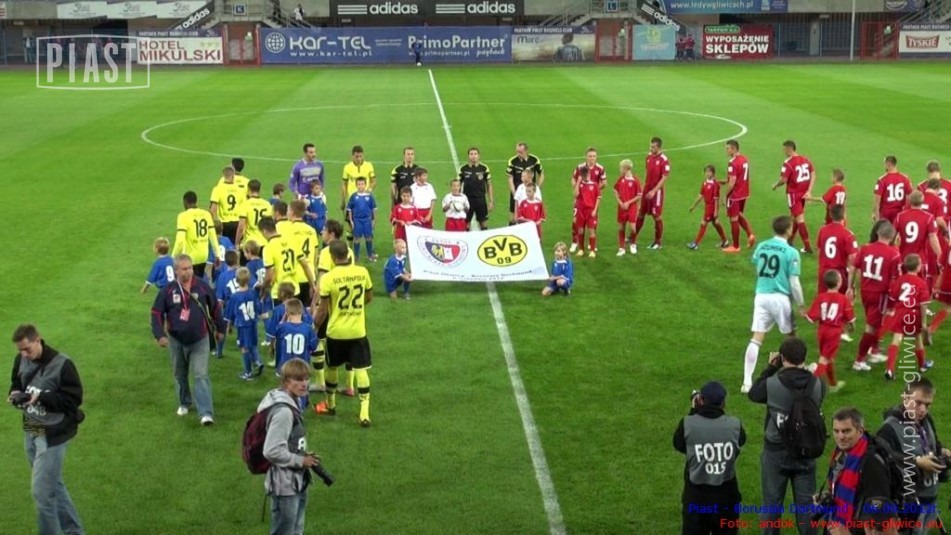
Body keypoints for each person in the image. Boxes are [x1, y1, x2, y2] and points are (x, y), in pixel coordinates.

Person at [8, 324, 85, 535]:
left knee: (42, 494)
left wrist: (41, 397)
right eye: (20, 350)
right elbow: (17, 382)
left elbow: (73, 400)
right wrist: (15, 394)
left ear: (37, 340)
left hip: (53, 433)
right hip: (31, 427)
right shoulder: (21, 359)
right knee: (53, 486)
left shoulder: (63, 364)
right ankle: (75, 532)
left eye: (27, 349)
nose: (24, 355)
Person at [748, 338, 827, 534]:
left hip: (776, 451)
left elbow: (753, 393)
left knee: (771, 507)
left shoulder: (772, 384)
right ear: (804, 358)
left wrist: (770, 368)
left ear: (782, 358)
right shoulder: (818, 384)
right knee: (807, 509)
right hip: (806, 450)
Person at [150, 254, 226, 425]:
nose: (189, 272)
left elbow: (215, 307)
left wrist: (220, 329)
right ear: (176, 271)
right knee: (179, 373)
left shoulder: (202, 286)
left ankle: (206, 413)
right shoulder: (168, 290)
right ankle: (184, 402)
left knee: (201, 375)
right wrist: (159, 334)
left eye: (190, 268)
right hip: (176, 340)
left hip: (200, 339)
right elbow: (156, 312)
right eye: (184, 269)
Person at [314, 240, 374, 427]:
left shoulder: (328, 278)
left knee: (332, 367)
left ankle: (330, 405)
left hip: (336, 332)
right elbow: (369, 297)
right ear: (348, 254)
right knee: (361, 369)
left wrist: (314, 326)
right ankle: (364, 413)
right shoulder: (362, 272)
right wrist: (355, 310)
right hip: (357, 330)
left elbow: (322, 310)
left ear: (332, 257)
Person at [258, 358, 321, 535]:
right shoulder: (284, 412)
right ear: (286, 381)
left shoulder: (287, 399)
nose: (304, 384)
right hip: (285, 486)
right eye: (298, 380)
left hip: (294, 481)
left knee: (295, 530)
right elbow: (271, 450)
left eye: (306, 379)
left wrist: (301, 453)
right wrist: (300, 460)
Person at [741, 216, 804, 393]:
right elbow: (794, 283)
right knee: (792, 338)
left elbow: (758, 265)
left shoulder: (762, 246)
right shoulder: (791, 252)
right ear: (789, 230)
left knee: (756, 338)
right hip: (780, 297)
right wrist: (801, 304)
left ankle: (747, 382)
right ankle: (797, 375)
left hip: (761, 295)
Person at [876, 379, 948, 534]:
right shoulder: (889, 428)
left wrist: (942, 452)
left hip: (930, 498)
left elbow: (933, 444)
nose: (922, 409)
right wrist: (916, 462)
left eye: (927, 405)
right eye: (918, 403)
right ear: (905, 398)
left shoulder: (926, 420)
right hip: (908, 502)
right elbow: (883, 460)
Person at [673, 381, 745, 535]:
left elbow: (679, 445)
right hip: (726, 496)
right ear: (723, 403)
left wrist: (694, 411)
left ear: (701, 400)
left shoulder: (688, 423)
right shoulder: (735, 425)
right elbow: (740, 441)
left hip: (696, 497)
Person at [822, 407, 899, 535]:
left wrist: (849, 533)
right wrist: (830, 495)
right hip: (835, 525)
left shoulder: (871, 464)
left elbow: (881, 516)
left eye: (846, 431)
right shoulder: (840, 453)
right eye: (836, 431)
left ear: (860, 431)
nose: (840, 437)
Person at [848, 221, 901, 371]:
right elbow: (895, 280)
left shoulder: (865, 248)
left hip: (866, 292)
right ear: (892, 236)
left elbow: (853, 267)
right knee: (871, 327)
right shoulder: (894, 254)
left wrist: (850, 287)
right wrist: (894, 300)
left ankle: (875, 350)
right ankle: (859, 360)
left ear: (878, 233)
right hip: (880, 295)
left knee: (875, 323)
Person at [804, 270, 855, 393]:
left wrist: (804, 314)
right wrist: (852, 327)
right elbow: (850, 318)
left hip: (822, 331)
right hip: (834, 332)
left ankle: (833, 385)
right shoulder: (843, 299)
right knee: (824, 360)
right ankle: (807, 389)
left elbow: (811, 318)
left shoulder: (820, 297)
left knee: (828, 358)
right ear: (839, 283)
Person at [883, 254, 931, 380]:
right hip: (913, 313)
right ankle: (922, 365)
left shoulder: (900, 279)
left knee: (896, 338)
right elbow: (923, 304)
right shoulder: (921, 283)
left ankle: (889, 369)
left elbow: (893, 296)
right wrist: (924, 322)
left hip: (900, 312)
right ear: (918, 267)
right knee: (917, 338)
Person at [772, 140, 815, 254]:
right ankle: (790, 240)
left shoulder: (788, 163)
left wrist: (776, 184)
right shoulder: (805, 159)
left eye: (784, 149)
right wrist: (809, 191)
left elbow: (784, 179)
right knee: (794, 217)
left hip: (794, 194)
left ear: (789, 149)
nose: (783, 151)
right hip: (804, 193)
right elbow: (813, 173)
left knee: (799, 219)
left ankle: (807, 246)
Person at [260, 217, 315, 306]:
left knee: (281, 315)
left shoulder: (268, 248)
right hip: (294, 289)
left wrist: (263, 289)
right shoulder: (292, 241)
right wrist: (312, 285)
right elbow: (305, 265)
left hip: (279, 292)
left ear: (264, 231)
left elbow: (269, 275)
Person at [895, 191, 942, 295]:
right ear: (922, 201)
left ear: (910, 201)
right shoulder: (928, 217)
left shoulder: (900, 216)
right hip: (920, 259)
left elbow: (893, 237)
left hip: (903, 257)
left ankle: (904, 303)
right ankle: (918, 303)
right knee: (920, 286)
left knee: (903, 285)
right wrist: (939, 254)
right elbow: (933, 238)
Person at [224, 267, 265, 380]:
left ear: (236, 280)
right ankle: (258, 362)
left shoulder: (234, 297)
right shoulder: (253, 293)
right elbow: (258, 307)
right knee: (253, 344)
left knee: (244, 348)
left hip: (242, 326)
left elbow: (229, 315)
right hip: (253, 323)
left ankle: (248, 372)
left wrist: (229, 326)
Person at [633, 137, 671, 250]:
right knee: (641, 213)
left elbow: (664, 178)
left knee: (657, 216)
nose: (651, 148)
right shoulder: (649, 157)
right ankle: (633, 237)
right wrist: (643, 187)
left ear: (659, 147)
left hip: (657, 192)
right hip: (647, 188)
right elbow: (647, 172)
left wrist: (654, 191)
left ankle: (658, 242)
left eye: (653, 147)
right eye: (650, 146)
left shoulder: (664, 160)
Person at [173, 191, 220, 279]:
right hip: (203, 256)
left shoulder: (183, 216)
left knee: (188, 281)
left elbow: (180, 240)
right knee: (198, 279)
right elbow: (213, 235)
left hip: (190, 257)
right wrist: (217, 254)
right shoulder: (206, 214)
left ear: (185, 202)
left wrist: (173, 256)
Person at [816, 205, 858, 296]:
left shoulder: (823, 230)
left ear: (831, 215)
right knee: (840, 301)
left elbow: (819, 251)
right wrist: (851, 284)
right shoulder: (848, 235)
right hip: (839, 274)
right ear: (844, 215)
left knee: (823, 299)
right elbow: (853, 258)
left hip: (824, 272)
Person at [722, 139, 755, 253]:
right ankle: (750, 234)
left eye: (727, 148)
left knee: (734, 218)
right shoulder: (744, 159)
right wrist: (725, 181)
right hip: (743, 192)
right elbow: (739, 176)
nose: (726, 151)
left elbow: (733, 181)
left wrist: (725, 195)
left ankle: (735, 246)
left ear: (733, 149)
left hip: (734, 194)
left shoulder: (732, 162)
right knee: (739, 214)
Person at [687, 164, 728, 251]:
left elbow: (716, 199)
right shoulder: (705, 182)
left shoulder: (715, 184)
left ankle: (695, 244)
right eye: (706, 172)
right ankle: (725, 241)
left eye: (709, 172)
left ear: (713, 173)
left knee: (703, 223)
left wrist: (716, 211)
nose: (707, 173)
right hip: (707, 206)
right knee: (716, 223)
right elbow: (700, 195)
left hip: (712, 207)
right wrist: (693, 206)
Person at [274, 299, 318, 375]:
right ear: (302, 311)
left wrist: (284, 318)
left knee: (285, 381)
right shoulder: (308, 328)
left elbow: (276, 334)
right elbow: (313, 347)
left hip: (285, 366)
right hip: (302, 366)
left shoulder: (282, 327)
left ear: (287, 312)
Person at [287, 200, 320, 300]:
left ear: (292, 212)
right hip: (310, 276)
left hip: (294, 276)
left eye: (288, 210)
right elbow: (315, 253)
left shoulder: (288, 229)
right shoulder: (311, 230)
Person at [506, 143, 544, 226]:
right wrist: (514, 193)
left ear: (526, 151)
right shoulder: (512, 161)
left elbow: (541, 174)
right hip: (517, 191)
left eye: (521, 152)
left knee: (530, 215)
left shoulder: (534, 160)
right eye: (517, 152)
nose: (518, 154)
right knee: (513, 218)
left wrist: (537, 188)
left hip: (530, 192)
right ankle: (512, 232)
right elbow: (510, 178)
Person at [235, 180, 274, 263]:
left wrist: (237, 243)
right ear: (259, 190)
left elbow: (241, 226)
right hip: (264, 242)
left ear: (248, 189)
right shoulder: (267, 204)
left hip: (250, 244)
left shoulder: (245, 204)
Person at [341, 146, 377, 229]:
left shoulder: (369, 166)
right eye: (356, 156)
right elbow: (344, 184)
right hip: (352, 200)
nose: (359, 159)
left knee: (367, 225)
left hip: (366, 200)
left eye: (360, 156)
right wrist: (343, 199)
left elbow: (373, 181)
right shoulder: (347, 167)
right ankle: (350, 238)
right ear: (352, 156)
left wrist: (369, 190)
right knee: (351, 226)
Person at [458, 147, 494, 231]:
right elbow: (458, 185)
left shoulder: (484, 168)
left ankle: (484, 239)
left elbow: (489, 185)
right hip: (467, 200)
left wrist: (491, 201)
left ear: (478, 155)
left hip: (480, 199)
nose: (473, 156)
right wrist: (458, 200)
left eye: (475, 154)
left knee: (483, 223)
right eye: (471, 154)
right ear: (468, 156)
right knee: (466, 223)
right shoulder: (463, 169)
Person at [213, 249, 240, 358]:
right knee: (243, 326)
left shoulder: (223, 276)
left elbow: (220, 299)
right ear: (237, 260)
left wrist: (217, 314)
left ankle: (219, 351)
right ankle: (243, 345)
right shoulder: (242, 272)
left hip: (229, 307)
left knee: (222, 328)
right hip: (242, 304)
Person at [209, 166, 245, 245]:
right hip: (237, 223)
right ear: (233, 175)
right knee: (235, 247)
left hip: (224, 224)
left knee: (223, 246)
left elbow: (213, 209)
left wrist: (214, 224)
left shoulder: (217, 189)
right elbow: (244, 208)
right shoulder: (240, 190)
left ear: (224, 176)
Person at [613, 159, 642, 256]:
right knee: (621, 227)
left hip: (632, 207)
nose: (620, 170)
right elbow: (615, 190)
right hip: (621, 207)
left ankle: (633, 244)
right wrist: (620, 202)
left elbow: (639, 195)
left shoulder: (635, 180)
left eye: (621, 168)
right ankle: (621, 248)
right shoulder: (620, 179)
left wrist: (628, 203)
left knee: (633, 228)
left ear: (626, 169)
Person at [873, 156, 912, 225]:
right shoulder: (905, 178)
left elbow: (877, 201)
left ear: (888, 164)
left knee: (884, 231)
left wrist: (875, 214)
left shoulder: (882, 180)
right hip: (900, 213)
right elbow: (909, 198)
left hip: (885, 214)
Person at [571, 166, 601, 258]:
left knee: (591, 230)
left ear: (589, 174)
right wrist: (578, 182)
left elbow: (598, 198)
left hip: (590, 211)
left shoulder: (595, 184)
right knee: (580, 230)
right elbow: (575, 195)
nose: (585, 177)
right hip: (580, 211)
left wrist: (595, 210)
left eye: (586, 175)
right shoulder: (580, 184)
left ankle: (592, 250)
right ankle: (581, 249)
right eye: (583, 175)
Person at [347, 177, 378, 262]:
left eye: (362, 184)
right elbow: (349, 209)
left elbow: (374, 209)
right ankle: (356, 257)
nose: (361, 186)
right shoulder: (354, 196)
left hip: (367, 220)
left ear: (365, 185)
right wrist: (351, 221)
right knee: (357, 238)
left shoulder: (369, 196)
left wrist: (374, 220)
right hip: (357, 220)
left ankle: (370, 255)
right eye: (359, 184)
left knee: (368, 237)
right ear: (356, 185)